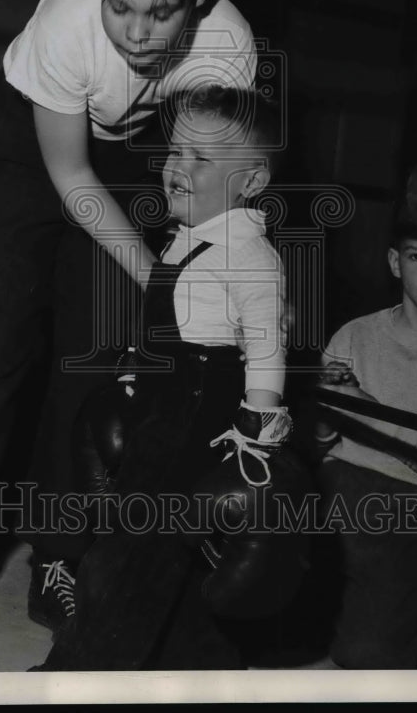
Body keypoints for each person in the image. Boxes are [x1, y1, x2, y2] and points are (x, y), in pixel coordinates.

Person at [0, 0, 257, 670]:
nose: (136, 34)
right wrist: (157, 277)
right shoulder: (66, 21)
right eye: (120, 7)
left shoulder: (228, 47)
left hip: (131, 151)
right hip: (33, 143)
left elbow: (208, 181)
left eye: (160, 13)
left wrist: (211, 271)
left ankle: (58, 554)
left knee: (90, 360)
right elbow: (70, 175)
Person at [33, 84, 308, 671]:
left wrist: (256, 434)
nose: (177, 166)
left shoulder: (250, 255)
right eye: (176, 151)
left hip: (199, 410)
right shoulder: (189, 238)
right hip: (165, 399)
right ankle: (193, 666)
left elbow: (265, 347)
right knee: (163, 549)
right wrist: (135, 375)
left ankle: (82, 673)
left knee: (129, 553)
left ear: (252, 182)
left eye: (201, 158)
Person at [314, 199, 417, 669]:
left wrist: (362, 407)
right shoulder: (355, 334)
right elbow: (319, 444)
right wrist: (322, 409)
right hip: (339, 483)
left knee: (368, 656)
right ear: (394, 261)